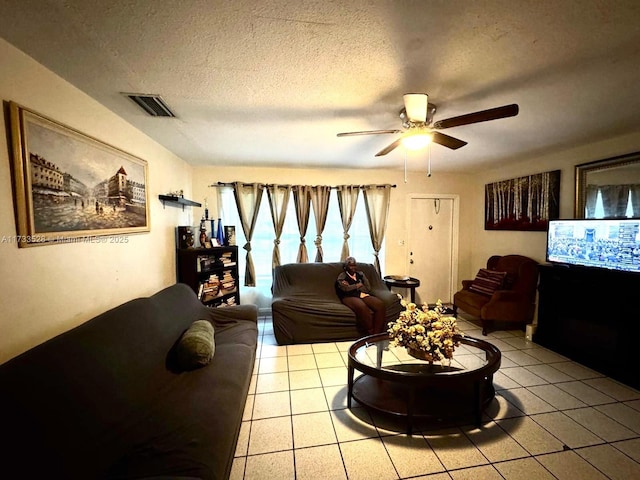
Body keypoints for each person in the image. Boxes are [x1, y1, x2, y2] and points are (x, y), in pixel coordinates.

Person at [336, 257, 386, 336]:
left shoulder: (360, 274)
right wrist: (358, 285)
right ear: (346, 267)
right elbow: (345, 289)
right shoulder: (342, 276)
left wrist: (352, 286)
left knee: (380, 305)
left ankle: (377, 334)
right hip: (348, 297)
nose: (353, 268)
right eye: (351, 266)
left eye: (354, 265)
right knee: (361, 306)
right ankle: (370, 332)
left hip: (362, 294)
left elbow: (368, 288)